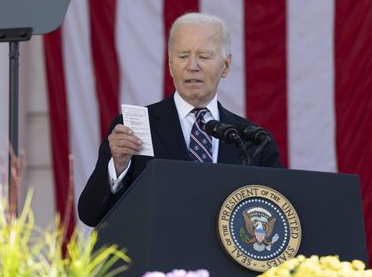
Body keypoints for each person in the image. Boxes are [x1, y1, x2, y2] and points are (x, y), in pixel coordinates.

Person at [78, 12, 283, 227]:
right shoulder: (135, 127)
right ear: (170, 64)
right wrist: (118, 167)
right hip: (160, 259)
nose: (192, 65)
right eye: (183, 55)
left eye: (203, 56)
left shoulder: (252, 139)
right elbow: (91, 214)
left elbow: (280, 212)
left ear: (226, 66)